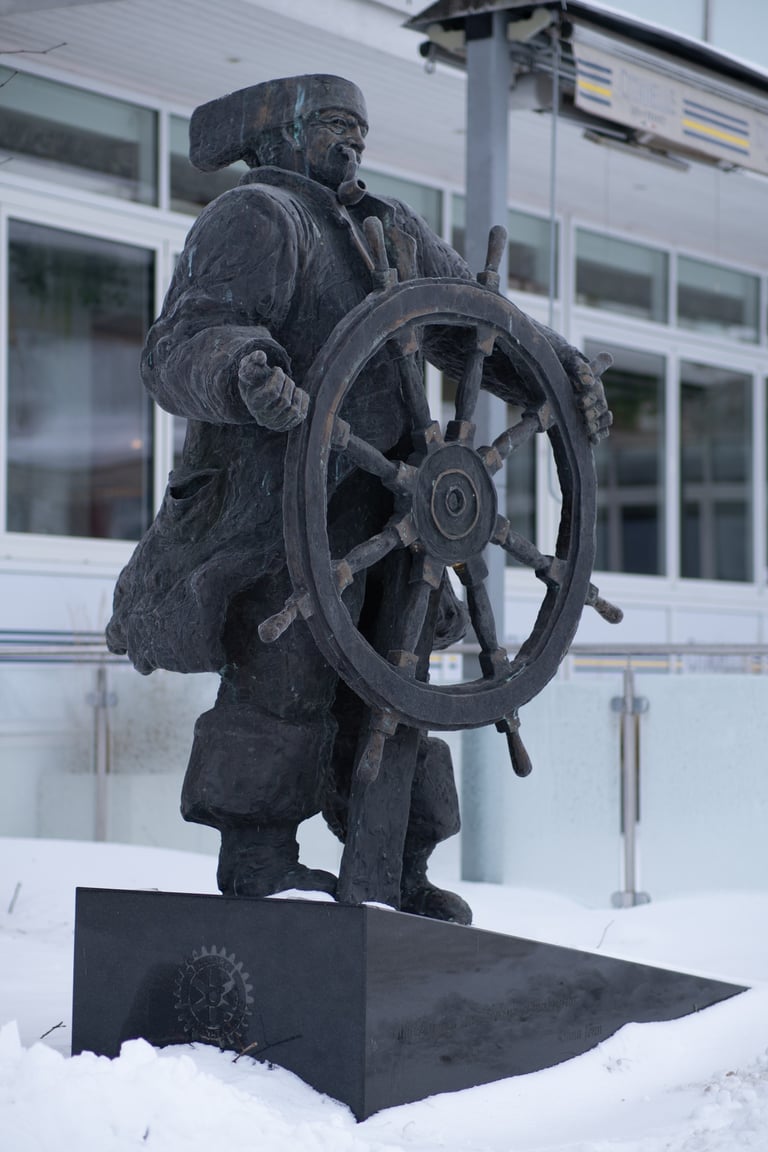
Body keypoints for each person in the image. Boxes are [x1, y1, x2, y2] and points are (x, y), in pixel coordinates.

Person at [106, 74, 611, 924]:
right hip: (282, 512)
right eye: (333, 125)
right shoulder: (257, 217)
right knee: (285, 680)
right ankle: (258, 855)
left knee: (397, 685)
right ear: (274, 138)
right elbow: (179, 346)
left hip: (394, 514)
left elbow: (477, 323)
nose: (352, 144)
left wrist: (562, 373)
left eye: (359, 130)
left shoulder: (389, 226)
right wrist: (244, 370)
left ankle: (396, 867)